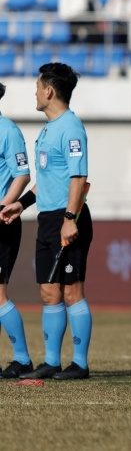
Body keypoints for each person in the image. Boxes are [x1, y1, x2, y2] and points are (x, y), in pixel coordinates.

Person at [0, 63, 93, 380]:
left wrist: (70, 217)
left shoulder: (71, 128)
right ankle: (51, 361)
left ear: (49, 91)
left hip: (68, 217)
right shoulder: (48, 129)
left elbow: (78, 177)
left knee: (72, 292)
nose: (35, 93)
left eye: (38, 87)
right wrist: (20, 204)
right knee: (49, 293)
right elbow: (47, 180)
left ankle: (79, 364)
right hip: (48, 218)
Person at [0, 81, 33, 378]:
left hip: (2, 221)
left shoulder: (8, 131)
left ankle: (22, 359)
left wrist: (2, 207)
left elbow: (22, 174)